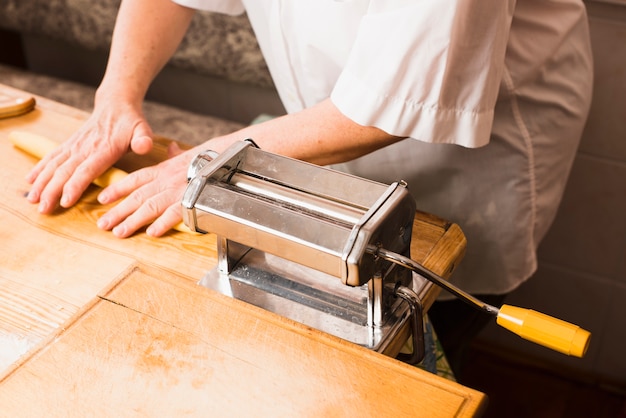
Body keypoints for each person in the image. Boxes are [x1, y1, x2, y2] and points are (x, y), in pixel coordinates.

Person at [25, 0, 593, 380]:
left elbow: (389, 108)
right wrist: (115, 98)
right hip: (325, 115)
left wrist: (211, 162)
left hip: (474, 147)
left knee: (429, 310)